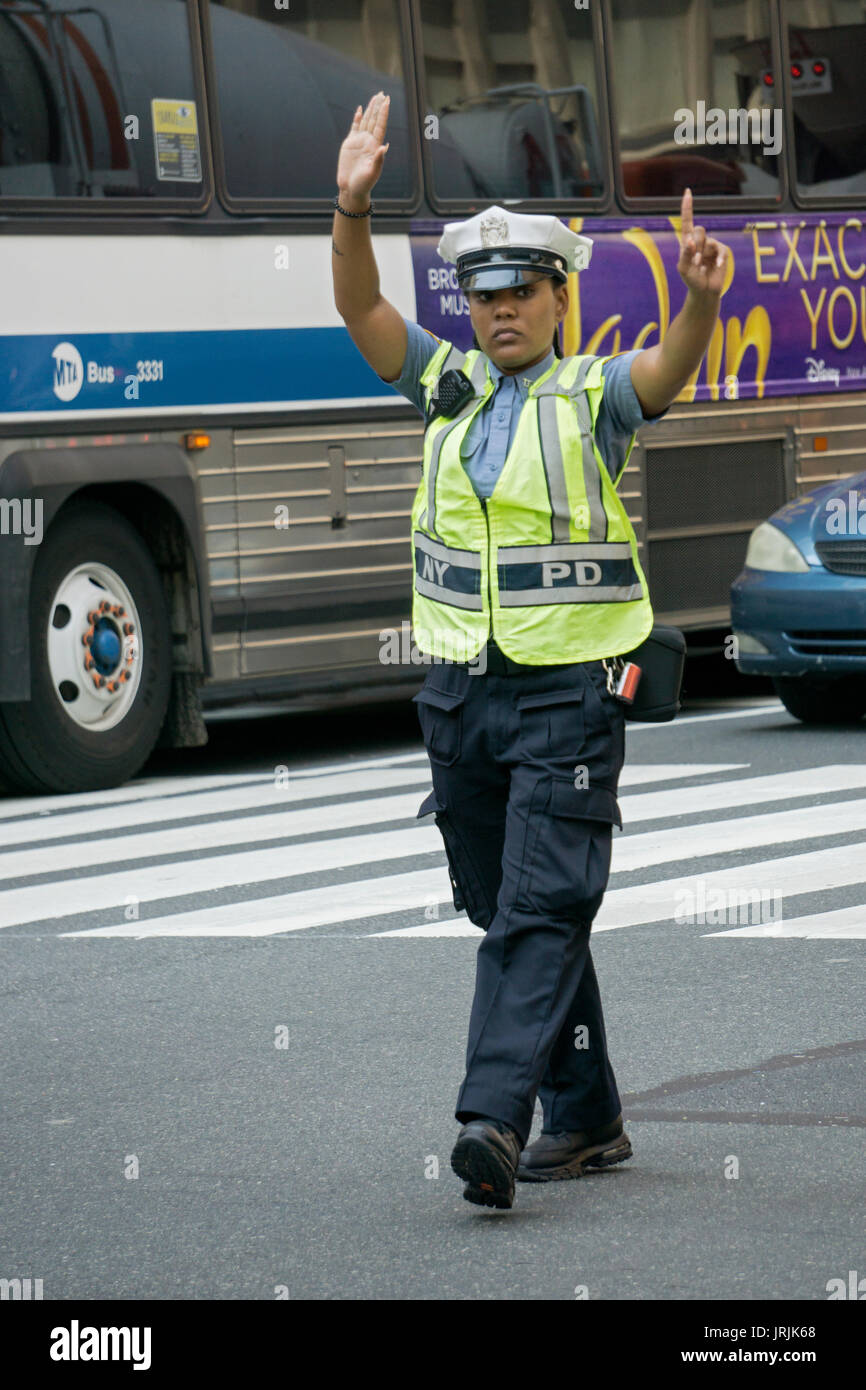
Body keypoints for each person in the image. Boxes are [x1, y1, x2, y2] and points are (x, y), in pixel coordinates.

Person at [332, 92, 729, 1211]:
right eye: (482, 294)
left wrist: (698, 305)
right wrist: (350, 206)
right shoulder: (444, 388)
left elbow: (664, 373)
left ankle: (494, 1118)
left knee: (540, 909)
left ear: (559, 300)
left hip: (570, 695)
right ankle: (592, 1114)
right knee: (508, 902)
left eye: (520, 293)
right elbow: (358, 302)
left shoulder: (588, 394)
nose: (499, 310)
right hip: (461, 700)